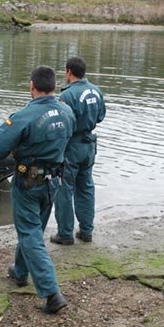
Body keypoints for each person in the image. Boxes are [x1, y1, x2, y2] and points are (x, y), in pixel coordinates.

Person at [0, 66, 75, 314]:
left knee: (30, 233)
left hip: (28, 184)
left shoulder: (23, 116)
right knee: (33, 229)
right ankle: (20, 271)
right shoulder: (67, 111)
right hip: (54, 182)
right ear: (54, 86)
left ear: (31, 86)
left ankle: (51, 293)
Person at [51, 57, 106, 245]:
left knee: (64, 188)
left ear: (68, 71)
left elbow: (63, 124)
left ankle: (65, 234)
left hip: (72, 146)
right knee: (86, 187)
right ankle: (86, 231)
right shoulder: (96, 91)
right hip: (89, 145)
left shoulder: (68, 95)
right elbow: (100, 117)